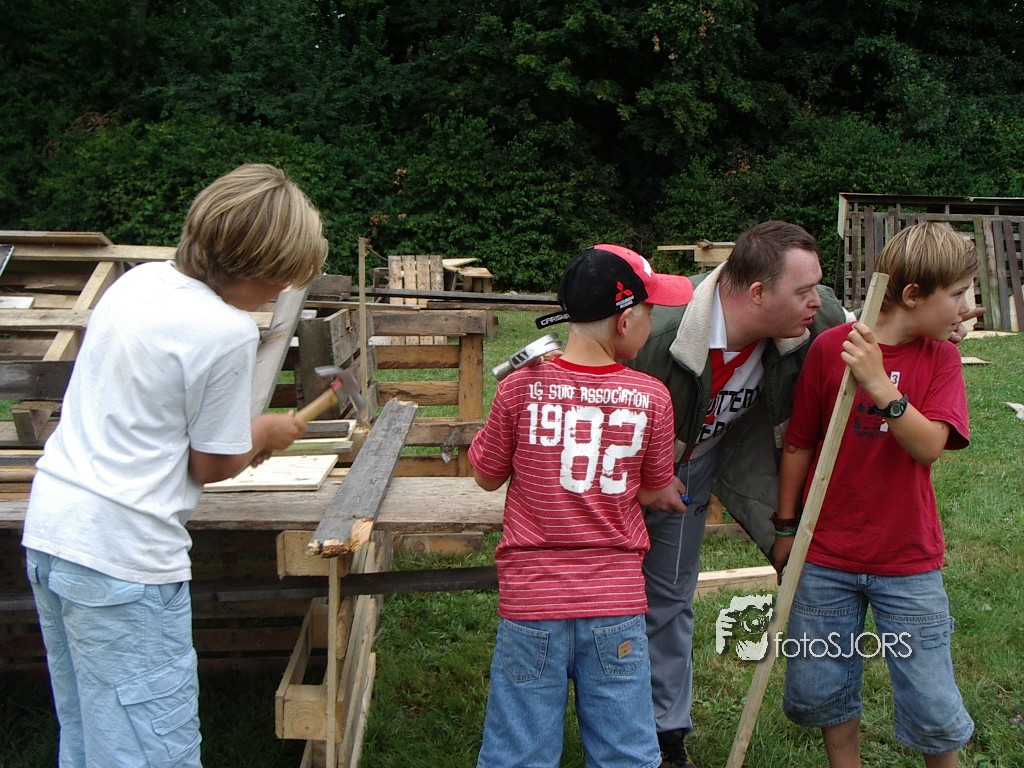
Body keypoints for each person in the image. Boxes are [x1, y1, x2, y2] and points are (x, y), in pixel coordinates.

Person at [22, 163, 328, 767]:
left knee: (90, 729)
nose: (278, 295)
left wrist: (245, 435)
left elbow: (156, 421)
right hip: (123, 558)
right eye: (279, 280)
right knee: (149, 748)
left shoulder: (136, 284)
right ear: (252, 265)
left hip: (53, 533)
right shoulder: (224, 329)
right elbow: (211, 463)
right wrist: (265, 432)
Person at [629, 220, 850, 767]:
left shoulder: (815, 316)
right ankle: (608, 719)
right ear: (757, 293)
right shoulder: (657, 335)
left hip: (709, 461)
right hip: (630, 473)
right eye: (803, 290)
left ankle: (664, 736)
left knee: (669, 598)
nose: (816, 299)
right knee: (603, 600)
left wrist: (934, 330)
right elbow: (587, 395)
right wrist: (645, 480)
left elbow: (878, 334)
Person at [469, 245, 694, 768]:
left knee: (518, 753)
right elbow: (652, 488)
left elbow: (486, 475)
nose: (653, 324)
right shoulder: (653, 397)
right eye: (650, 313)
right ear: (624, 321)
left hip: (532, 604)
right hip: (615, 605)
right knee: (625, 753)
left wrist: (509, 395)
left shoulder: (519, 388)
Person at [773, 221, 976, 767]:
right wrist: (786, 529)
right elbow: (799, 444)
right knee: (824, 689)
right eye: (957, 294)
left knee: (932, 700)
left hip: (907, 559)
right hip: (825, 556)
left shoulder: (940, 358)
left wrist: (880, 383)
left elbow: (929, 446)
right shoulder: (830, 349)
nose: (965, 309)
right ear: (912, 294)